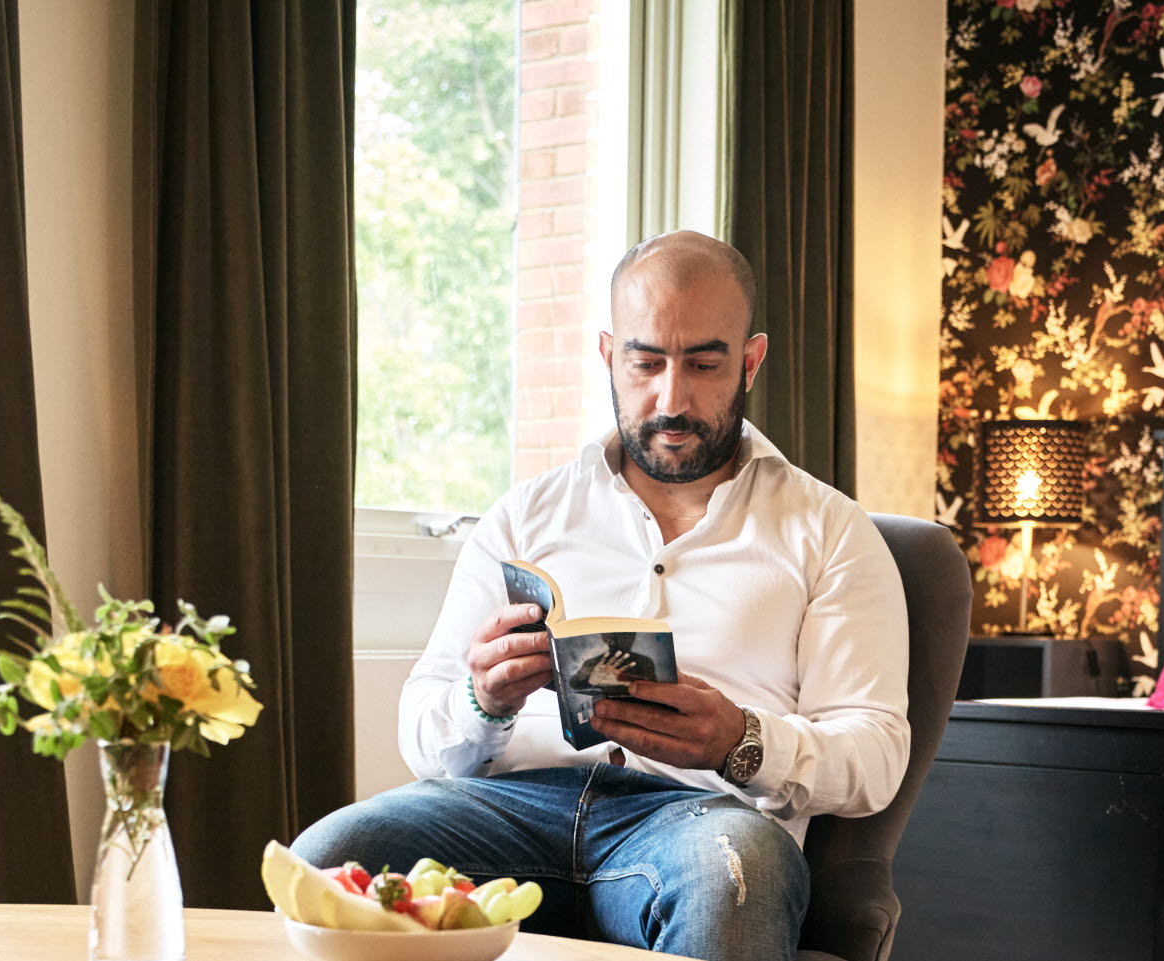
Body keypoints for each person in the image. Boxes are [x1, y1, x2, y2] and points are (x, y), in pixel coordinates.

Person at [291, 231, 909, 961]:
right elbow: (424, 726)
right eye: (645, 362)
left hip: (700, 818)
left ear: (750, 360)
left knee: (733, 879)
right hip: (511, 806)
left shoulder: (829, 531)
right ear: (607, 355)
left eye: (704, 364)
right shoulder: (525, 515)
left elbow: (875, 751)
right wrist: (482, 699)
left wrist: (740, 739)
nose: (670, 398)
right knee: (328, 854)